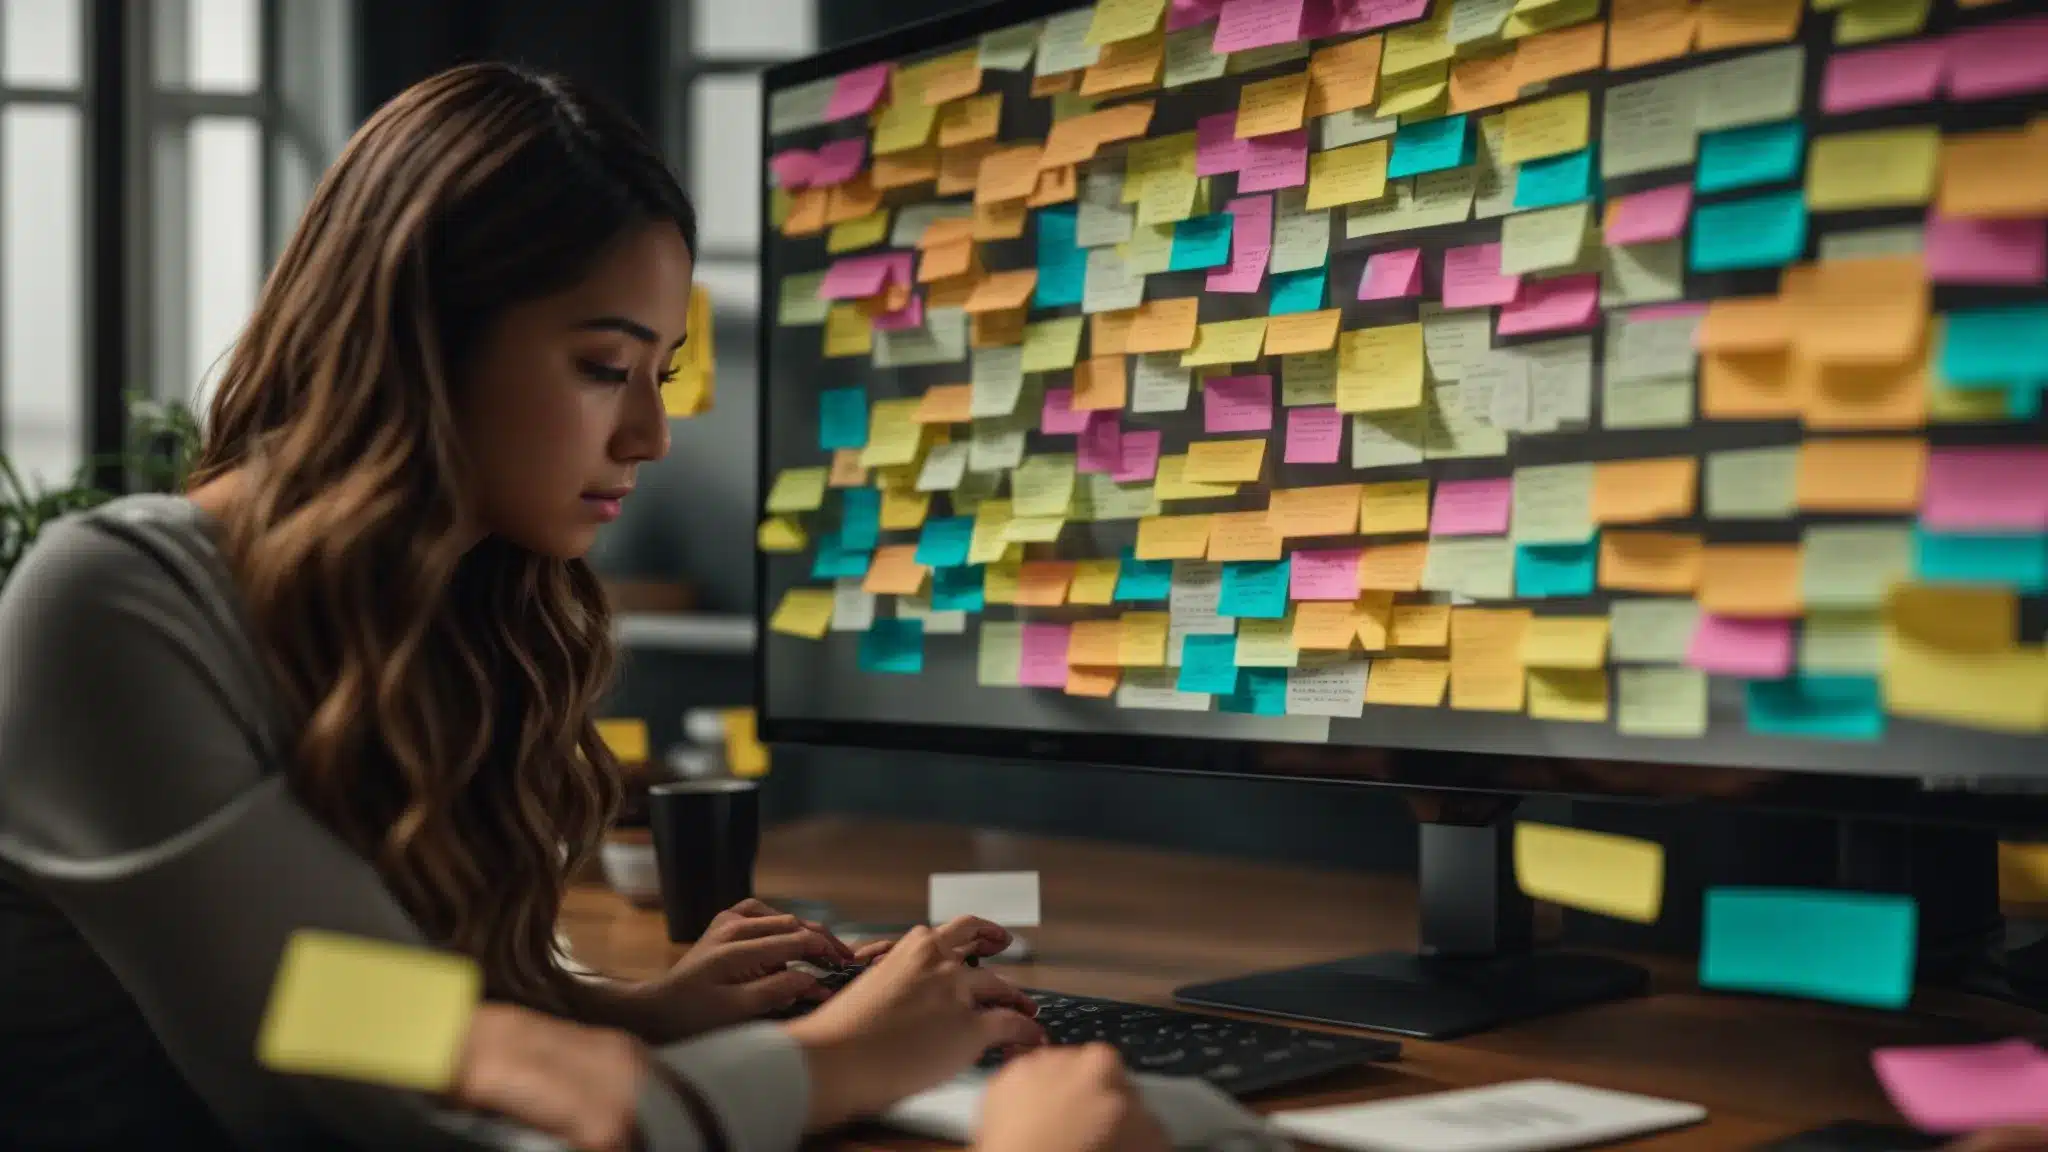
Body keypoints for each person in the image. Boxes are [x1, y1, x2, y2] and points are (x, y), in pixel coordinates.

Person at [0, 60, 1067, 1151]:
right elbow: (358, 1069)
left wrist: (631, 1013)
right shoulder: (117, 604)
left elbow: (396, 1008)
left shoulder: (460, 617)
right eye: (605, 366)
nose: (650, 437)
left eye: (665, 372)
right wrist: (841, 1059)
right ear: (423, 336)